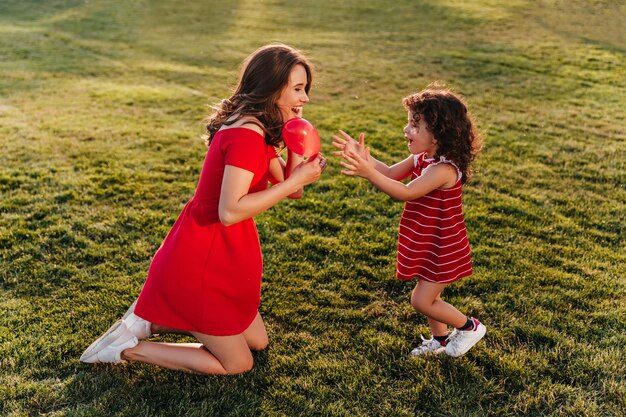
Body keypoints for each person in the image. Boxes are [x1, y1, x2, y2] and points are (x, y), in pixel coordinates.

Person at [80, 44, 327, 374]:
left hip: (225, 251)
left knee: (258, 340)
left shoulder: (259, 127)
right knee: (239, 362)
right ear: (272, 87)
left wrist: (299, 145)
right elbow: (230, 210)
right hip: (204, 256)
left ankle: (148, 320)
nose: (305, 98)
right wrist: (293, 180)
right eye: (298, 89)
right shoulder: (246, 136)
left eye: (305, 89)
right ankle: (129, 349)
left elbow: (292, 189)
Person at [332, 84, 485, 357]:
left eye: (415, 124)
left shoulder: (444, 169)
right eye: (408, 123)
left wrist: (368, 173)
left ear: (438, 133)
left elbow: (405, 192)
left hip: (443, 246)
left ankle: (469, 326)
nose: (406, 130)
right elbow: (391, 173)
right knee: (430, 296)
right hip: (427, 240)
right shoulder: (422, 158)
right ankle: (440, 341)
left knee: (421, 300)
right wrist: (364, 158)